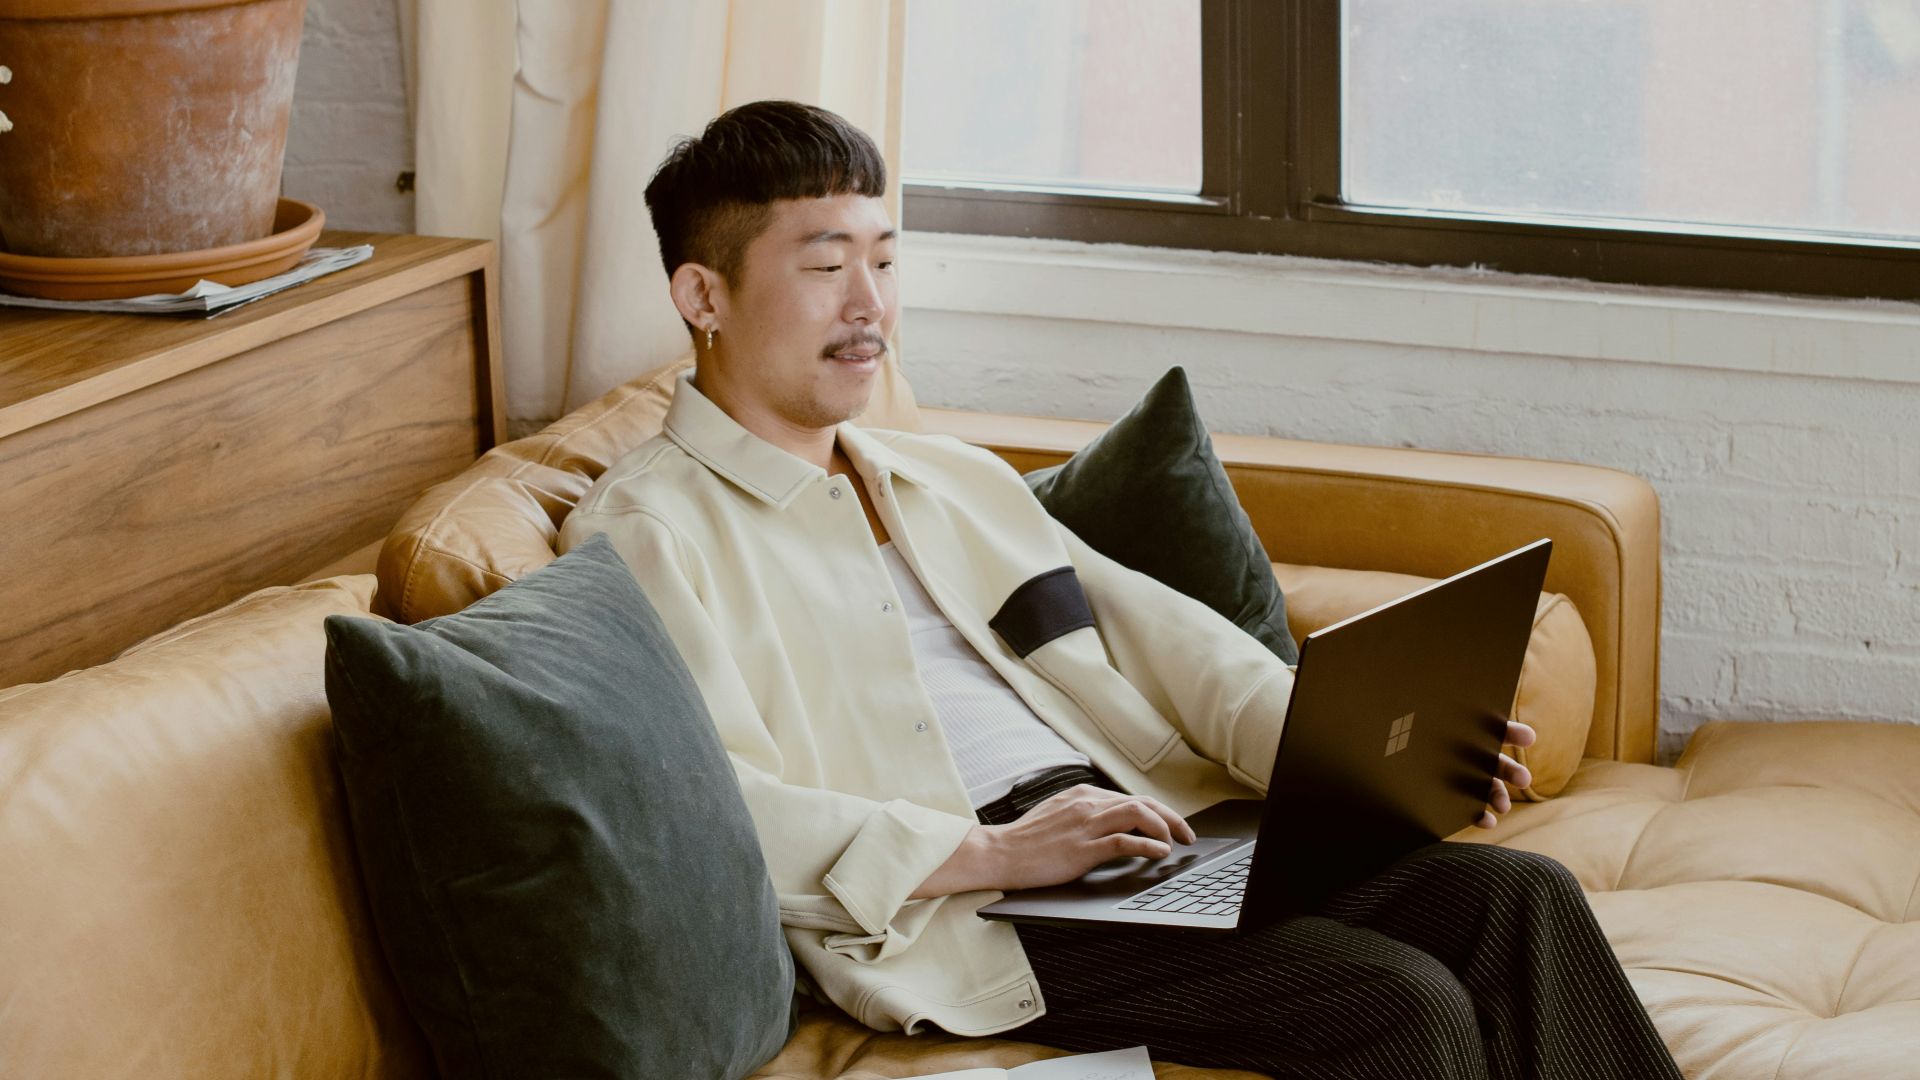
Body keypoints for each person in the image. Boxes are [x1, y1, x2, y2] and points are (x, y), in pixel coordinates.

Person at [557, 99, 1682, 1080]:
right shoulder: (649, 532)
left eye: (885, 260)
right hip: (975, 898)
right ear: (703, 293)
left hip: (1145, 830)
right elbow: (710, 806)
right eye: (823, 265)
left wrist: (1353, 760)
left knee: (1518, 898)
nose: (871, 305)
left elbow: (1183, 647)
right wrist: (1003, 853)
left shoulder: (945, 477)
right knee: (1395, 1001)